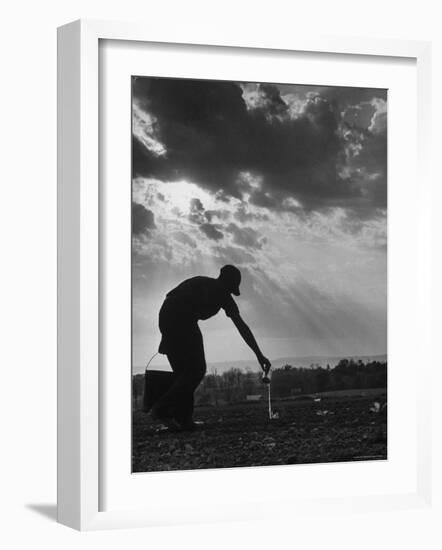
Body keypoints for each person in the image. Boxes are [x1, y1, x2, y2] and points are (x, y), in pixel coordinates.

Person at [151, 265, 271, 430]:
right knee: (197, 369)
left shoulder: (223, 296)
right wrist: (168, 334)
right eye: (229, 288)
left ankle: (184, 420)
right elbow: (174, 302)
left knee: (184, 373)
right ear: (224, 281)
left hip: (174, 318)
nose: (229, 293)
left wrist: (259, 355)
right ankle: (162, 409)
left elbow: (241, 326)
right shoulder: (203, 285)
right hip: (176, 317)